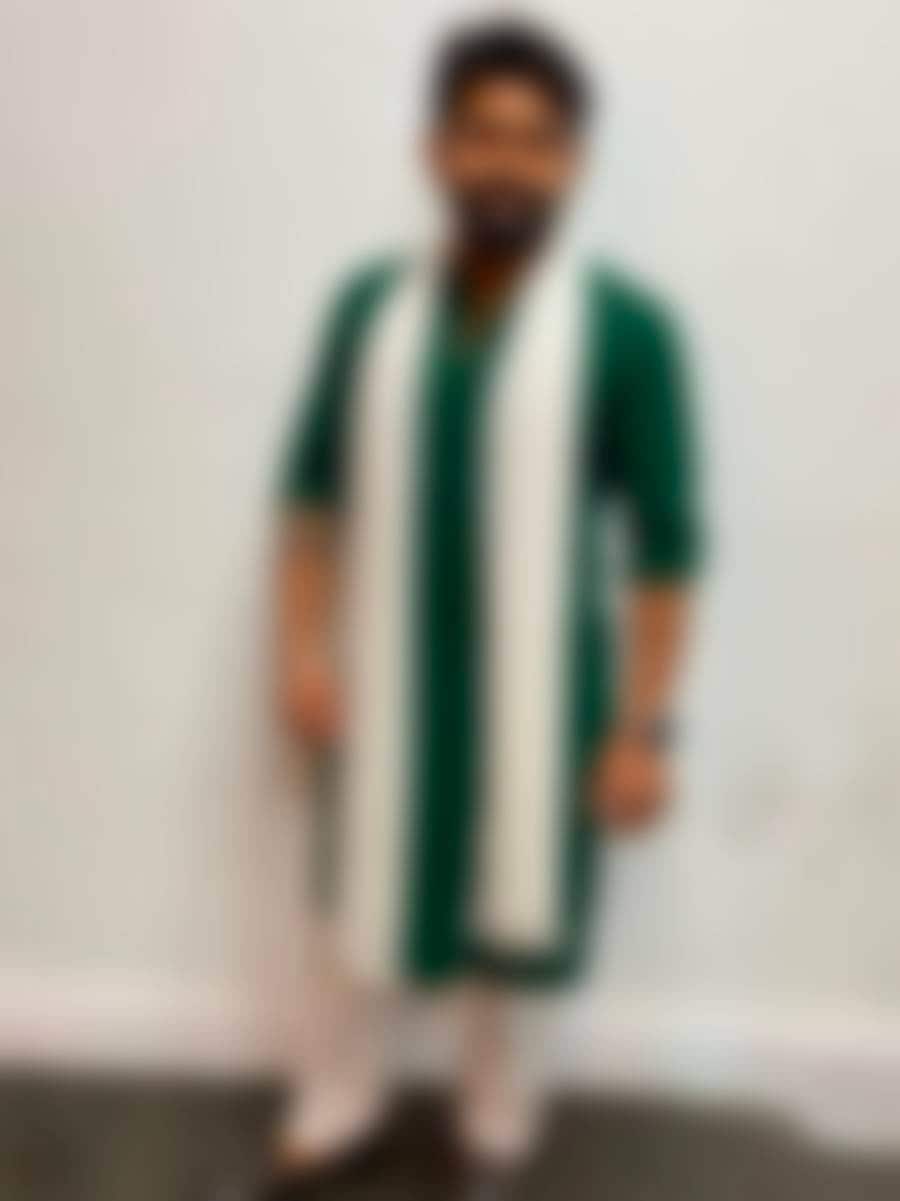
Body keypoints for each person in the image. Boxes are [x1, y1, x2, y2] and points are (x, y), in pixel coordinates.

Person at [271, 16, 702, 1197]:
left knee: (520, 917)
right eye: (483, 134)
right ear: (437, 149)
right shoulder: (369, 309)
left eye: (538, 140)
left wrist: (644, 727)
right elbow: (311, 498)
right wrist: (300, 654)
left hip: (547, 694)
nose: (508, 162)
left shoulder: (627, 330)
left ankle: (496, 1125)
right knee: (357, 908)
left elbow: (666, 548)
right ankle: (339, 1103)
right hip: (387, 679)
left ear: (572, 162)